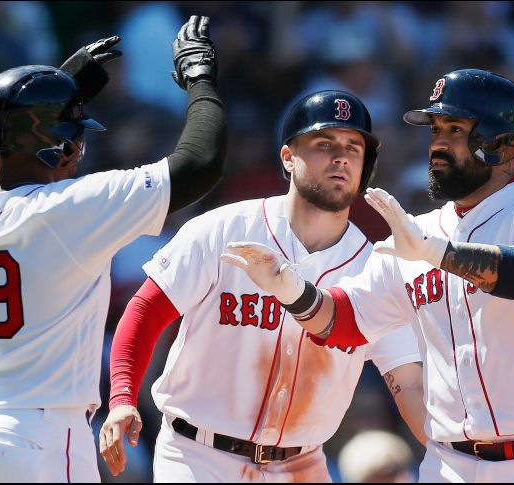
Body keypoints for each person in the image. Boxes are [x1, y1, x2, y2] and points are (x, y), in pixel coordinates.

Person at [223, 68, 514, 482]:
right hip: (450, 465)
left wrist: (436, 252)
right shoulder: (416, 233)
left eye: (455, 129)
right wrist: (291, 289)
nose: (437, 143)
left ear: (500, 143)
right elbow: (347, 321)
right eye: (435, 130)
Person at [0, 15, 226, 483]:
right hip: (35, 438)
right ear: (62, 148)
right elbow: (200, 164)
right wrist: (202, 81)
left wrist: (47, 90)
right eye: (75, 135)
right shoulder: (68, 211)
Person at [98, 90, 426, 482]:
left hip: (301, 464)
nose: (341, 157)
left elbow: (408, 382)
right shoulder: (225, 228)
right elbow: (146, 310)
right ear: (288, 157)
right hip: (199, 456)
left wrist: (460, 455)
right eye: (324, 144)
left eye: (354, 148)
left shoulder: (376, 268)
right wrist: (121, 398)